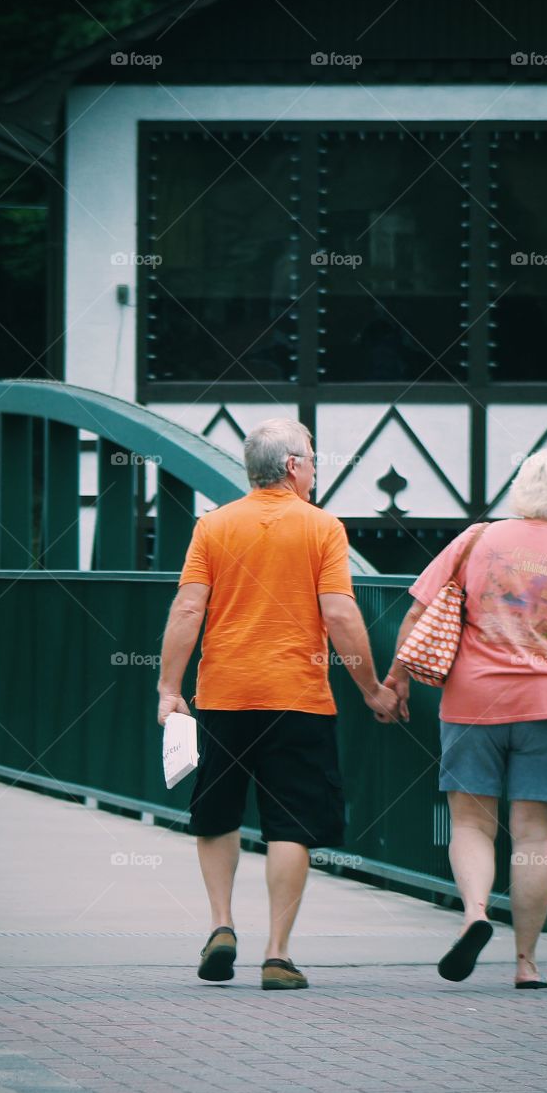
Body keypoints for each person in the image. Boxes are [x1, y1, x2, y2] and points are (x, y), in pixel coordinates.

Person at [384, 446, 547, 989]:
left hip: (472, 703)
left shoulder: (476, 539)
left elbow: (417, 613)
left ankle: (475, 914)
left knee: (471, 824)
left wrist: (398, 677)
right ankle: (526, 963)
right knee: (532, 839)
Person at [157, 418, 400, 991]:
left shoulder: (214, 525)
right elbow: (339, 613)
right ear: (292, 466)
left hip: (224, 696)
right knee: (290, 824)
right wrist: (371, 688)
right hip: (298, 699)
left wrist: (169, 688)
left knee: (216, 813)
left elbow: (188, 608)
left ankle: (221, 926)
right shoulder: (322, 527)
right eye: (311, 459)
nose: (315, 469)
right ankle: (277, 955)